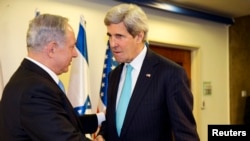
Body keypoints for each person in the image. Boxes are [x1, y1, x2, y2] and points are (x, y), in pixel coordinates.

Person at [95, 3, 200, 141]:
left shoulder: (170, 73)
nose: (112, 43)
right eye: (110, 36)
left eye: (119, 36)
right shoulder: (114, 75)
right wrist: (103, 134)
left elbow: (185, 134)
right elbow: (113, 121)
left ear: (139, 36)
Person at [0, 14, 104, 141]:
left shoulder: (27, 78)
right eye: (72, 47)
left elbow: (59, 122)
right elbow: (64, 137)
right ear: (52, 49)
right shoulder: (35, 89)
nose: (75, 54)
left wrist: (101, 117)